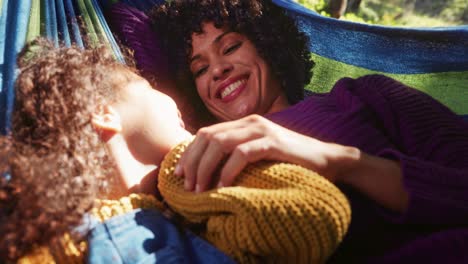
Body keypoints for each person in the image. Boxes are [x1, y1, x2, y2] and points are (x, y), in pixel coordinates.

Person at [149, 0, 468, 263]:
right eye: (200, 69)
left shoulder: (364, 95)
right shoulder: (197, 159)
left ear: (267, 44)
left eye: (230, 46)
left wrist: (342, 162)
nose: (218, 69)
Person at [0, 39, 351, 264]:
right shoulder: (51, 241)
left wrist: (182, 171)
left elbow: (316, 218)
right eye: (149, 87)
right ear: (103, 112)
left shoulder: (206, 223)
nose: (175, 101)